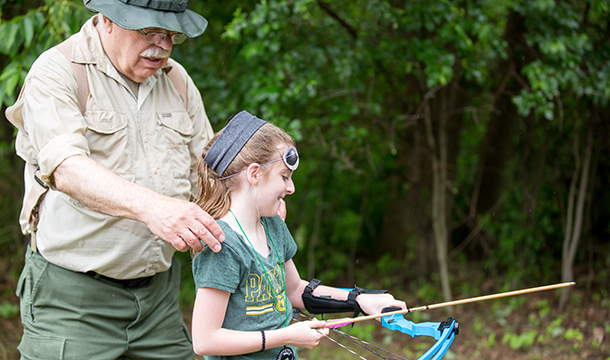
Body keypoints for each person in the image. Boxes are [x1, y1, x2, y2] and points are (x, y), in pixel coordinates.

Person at [5, 1, 225, 359]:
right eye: (148, 30)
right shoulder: (57, 71)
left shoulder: (176, 80)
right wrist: (154, 208)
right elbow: (67, 168)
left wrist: (258, 196)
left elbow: (209, 175)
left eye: (170, 34)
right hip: (72, 302)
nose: (162, 45)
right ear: (106, 19)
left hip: (160, 302)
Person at [191, 110, 407, 359]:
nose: (291, 188)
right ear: (253, 174)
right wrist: (286, 335)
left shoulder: (272, 226)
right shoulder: (221, 244)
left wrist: (361, 300)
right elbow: (205, 340)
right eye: (284, 177)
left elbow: (295, 290)